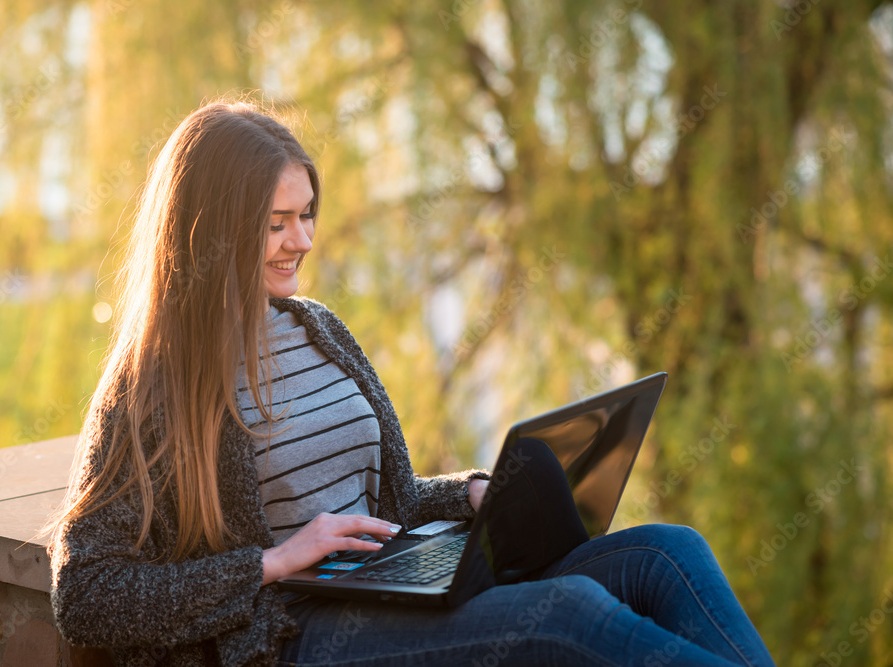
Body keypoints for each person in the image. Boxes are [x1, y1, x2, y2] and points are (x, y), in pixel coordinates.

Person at [43, 98, 775, 666]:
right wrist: (272, 562)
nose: (301, 241)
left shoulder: (316, 328)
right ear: (210, 230)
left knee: (664, 553)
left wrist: (475, 495)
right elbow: (86, 595)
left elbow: (386, 503)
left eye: (305, 216)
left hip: (388, 586)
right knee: (568, 615)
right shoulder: (155, 383)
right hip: (292, 634)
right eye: (275, 224)